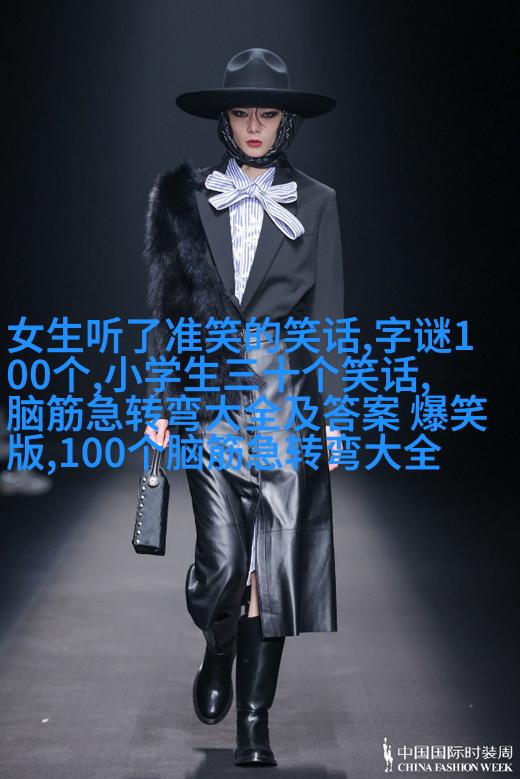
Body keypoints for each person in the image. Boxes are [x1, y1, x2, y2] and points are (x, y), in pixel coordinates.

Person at [143, 47, 345, 768]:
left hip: (286, 405)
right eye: (241, 113)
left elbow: (328, 314)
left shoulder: (317, 201)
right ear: (224, 121)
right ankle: (217, 644)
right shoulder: (184, 198)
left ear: (286, 121)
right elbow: (167, 311)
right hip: (209, 402)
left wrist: (335, 413)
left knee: (273, 571)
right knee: (225, 562)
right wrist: (158, 401)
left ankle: (254, 723)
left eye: (266, 113)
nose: (254, 126)